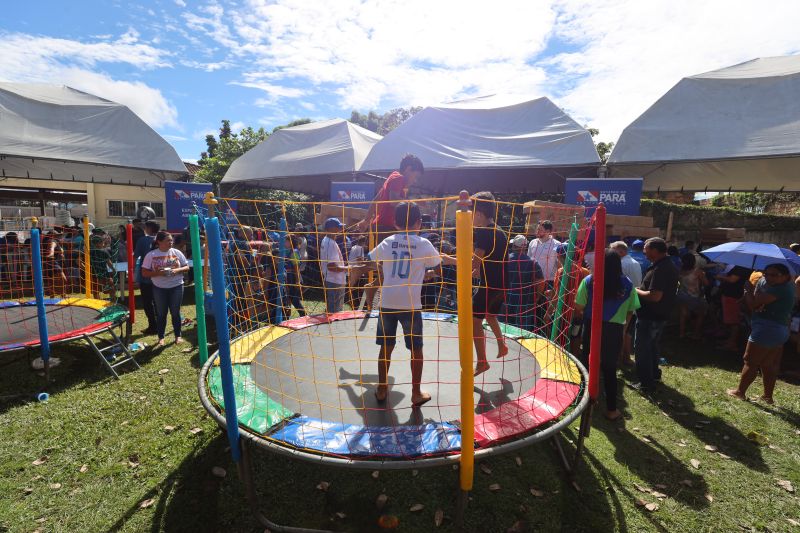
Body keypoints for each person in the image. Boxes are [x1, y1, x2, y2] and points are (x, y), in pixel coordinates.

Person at [363, 202, 441, 405]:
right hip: (410, 305)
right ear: (419, 222)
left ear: (395, 223)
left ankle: (382, 389)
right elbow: (437, 266)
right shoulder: (424, 243)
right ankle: (416, 393)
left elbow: (369, 259)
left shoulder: (388, 241)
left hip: (388, 303)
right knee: (416, 349)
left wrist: (384, 272)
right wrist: (425, 273)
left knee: (385, 347)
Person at [442, 192, 508, 376]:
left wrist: (449, 259)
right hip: (503, 284)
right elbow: (488, 259)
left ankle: (482, 362)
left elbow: (473, 262)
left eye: (471, 214)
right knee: (490, 315)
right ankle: (502, 345)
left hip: (490, 285)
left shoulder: (484, 232)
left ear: (478, 214)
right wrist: (477, 270)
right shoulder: (499, 230)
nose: (470, 218)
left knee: (474, 320)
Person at [575, 249, 640, 420]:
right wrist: (623, 328)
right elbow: (631, 309)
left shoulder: (589, 281)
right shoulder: (628, 284)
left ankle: (586, 400)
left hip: (591, 326)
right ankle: (612, 409)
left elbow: (579, 306)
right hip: (614, 329)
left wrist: (587, 314)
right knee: (610, 368)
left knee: (588, 363)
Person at [727, 263, 795, 404]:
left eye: (774, 275)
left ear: (785, 276)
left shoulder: (781, 289)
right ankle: (767, 396)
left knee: (750, 361)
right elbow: (759, 300)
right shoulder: (776, 284)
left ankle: (740, 392)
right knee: (767, 364)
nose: (769, 277)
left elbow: (753, 304)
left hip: (768, 329)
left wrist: (747, 290)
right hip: (778, 329)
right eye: (766, 273)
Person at [633, 237, 679, 393]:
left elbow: (655, 296)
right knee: (652, 346)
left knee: (643, 349)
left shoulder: (661, 268)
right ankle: (654, 375)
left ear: (654, 250)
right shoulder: (664, 265)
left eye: (645, 249)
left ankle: (646, 383)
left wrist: (635, 290)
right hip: (657, 315)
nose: (644, 252)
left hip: (650, 316)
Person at [142, 231, 189, 346]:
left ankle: (178, 336)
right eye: (168, 240)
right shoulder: (151, 255)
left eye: (171, 240)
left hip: (177, 286)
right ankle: (161, 337)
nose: (171, 242)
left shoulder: (176, 252)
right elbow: (144, 273)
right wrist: (157, 273)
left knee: (175, 312)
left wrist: (176, 270)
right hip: (159, 288)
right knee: (161, 313)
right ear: (159, 242)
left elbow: (186, 267)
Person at [611, 241, 642, 365]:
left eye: (613, 251)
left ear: (621, 251)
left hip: (623, 302)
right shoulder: (635, 262)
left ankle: (618, 357)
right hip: (633, 301)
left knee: (621, 331)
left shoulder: (622, 264)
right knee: (628, 332)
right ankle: (626, 357)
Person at [505, 234, 543, 330]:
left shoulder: (505, 260)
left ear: (514, 246)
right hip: (525, 301)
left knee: (504, 327)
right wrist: (537, 296)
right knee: (522, 329)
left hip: (506, 299)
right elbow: (540, 281)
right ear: (525, 247)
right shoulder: (533, 263)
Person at [715, 263, 752, 351]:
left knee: (733, 321)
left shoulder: (742, 267)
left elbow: (732, 279)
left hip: (733, 296)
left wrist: (720, 277)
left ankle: (732, 343)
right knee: (731, 320)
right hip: (732, 295)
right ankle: (730, 340)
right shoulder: (743, 266)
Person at [319, 218, 351, 314]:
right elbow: (332, 267)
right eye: (338, 227)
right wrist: (348, 268)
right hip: (335, 282)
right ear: (331, 228)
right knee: (335, 313)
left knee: (332, 311)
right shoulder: (330, 243)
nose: (340, 230)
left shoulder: (326, 240)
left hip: (332, 280)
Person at [134, 221, 160, 334]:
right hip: (160, 276)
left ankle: (153, 326)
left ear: (149, 228)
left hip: (147, 276)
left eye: (145, 227)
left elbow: (135, 257)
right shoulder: (163, 238)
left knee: (148, 302)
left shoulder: (143, 240)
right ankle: (159, 325)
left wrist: (133, 271)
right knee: (158, 301)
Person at [677, 253, 709, 339]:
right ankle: (696, 334)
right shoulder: (697, 271)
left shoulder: (680, 270)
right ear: (693, 261)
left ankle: (681, 333)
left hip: (682, 295)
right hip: (695, 295)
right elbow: (706, 283)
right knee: (700, 314)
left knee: (683, 314)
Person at [527, 220, 561, 287]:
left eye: (540, 229)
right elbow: (528, 261)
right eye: (537, 229)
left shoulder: (557, 244)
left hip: (549, 281)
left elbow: (559, 264)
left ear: (548, 231)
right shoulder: (532, 242)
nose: (537, 231)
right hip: (533, 280)